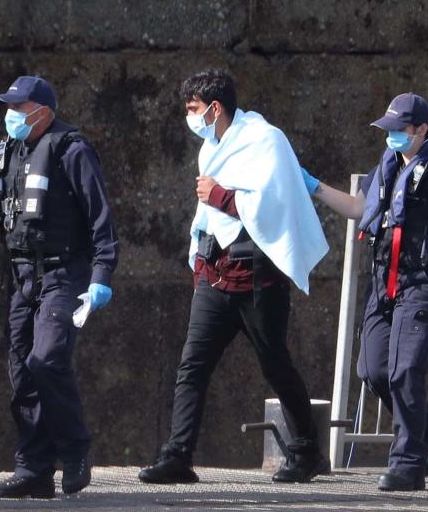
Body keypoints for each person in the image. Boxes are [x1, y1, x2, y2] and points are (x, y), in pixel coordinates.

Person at [301, 92, 428, 491]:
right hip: (386, 282)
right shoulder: (387, 166)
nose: (391, 137)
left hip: (425, 284)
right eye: (388, 130)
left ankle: (408, 464)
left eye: (400, 130)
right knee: (374, 370)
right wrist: (312, 186)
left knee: (405, 370)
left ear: (421, 131)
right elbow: (357, 209)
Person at [139, 69, 331, 486]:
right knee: (192, 365)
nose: (189, 117)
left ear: (214, 107)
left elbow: (272, 205)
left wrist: (221, 197)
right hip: (213, 273)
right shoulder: (211, 148)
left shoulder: (266, 140)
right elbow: (205, 214)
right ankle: (178, 454)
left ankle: (307, 451)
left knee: (275, 362)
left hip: (257, 277)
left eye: (193, 109)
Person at [0, 76, 119, 498]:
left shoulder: (71, 149)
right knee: (22, 370)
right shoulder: (9, 150)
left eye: (19, 109)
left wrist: (100, 277)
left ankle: (76, 449)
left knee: (47, 359)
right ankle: (34, 467)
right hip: (22, 276)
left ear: (43, 111)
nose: (12, 117)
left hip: (64, 274)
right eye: (8, 109)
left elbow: (102, 221)